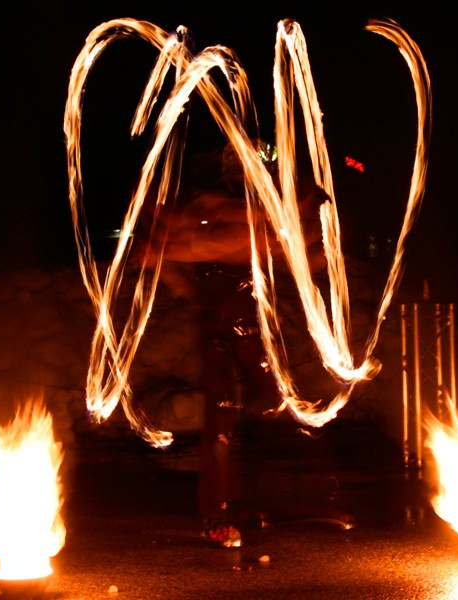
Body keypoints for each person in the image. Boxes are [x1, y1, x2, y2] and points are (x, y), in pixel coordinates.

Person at [132, 142, 326, 547]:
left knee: (272, 405)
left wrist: (301, 243)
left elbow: (283, 253)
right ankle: (219, 514)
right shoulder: (216, 206)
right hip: (223, 320)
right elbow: (215, 239)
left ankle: (280, 502)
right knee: (225, 416)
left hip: (245, 318)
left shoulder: (253, 210)